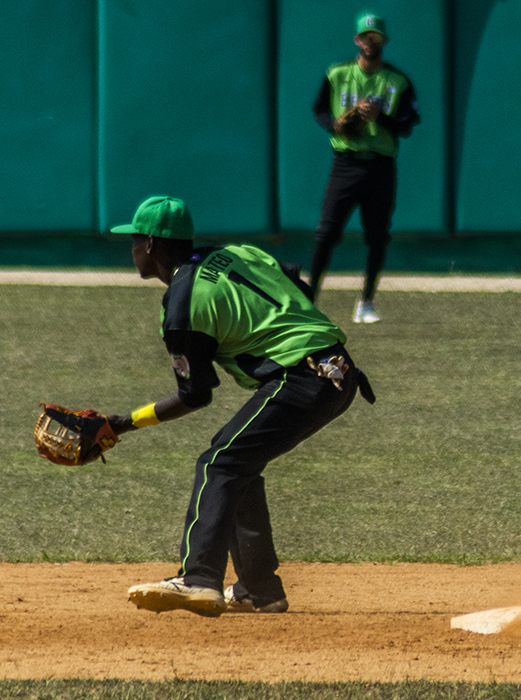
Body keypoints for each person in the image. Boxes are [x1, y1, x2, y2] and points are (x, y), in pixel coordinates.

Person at [105, 195, 374, 617]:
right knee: (235, 460)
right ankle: (258, 588)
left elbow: (196, 394)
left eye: (135, 240)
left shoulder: (182, 302)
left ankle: (198, 578)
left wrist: (122, 423)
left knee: (220, 463)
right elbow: (295, 281)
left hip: (302, 377)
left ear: (152, 244)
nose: (133, 248)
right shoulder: (236, 253)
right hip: (338, 370)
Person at [309, 12, 420, 324]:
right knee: (326, 233)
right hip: (345, 163)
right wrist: (335, 125)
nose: (370, 42)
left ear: (384, 40)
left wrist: (378, 117)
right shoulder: (337, 73)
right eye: (365, 36)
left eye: (376, 37)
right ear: (357, 40)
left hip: (380, 167)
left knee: (377, 236)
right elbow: (319, 110)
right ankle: (308, 301)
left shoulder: (397, 81)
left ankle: (366, 303)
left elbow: (406, 124)